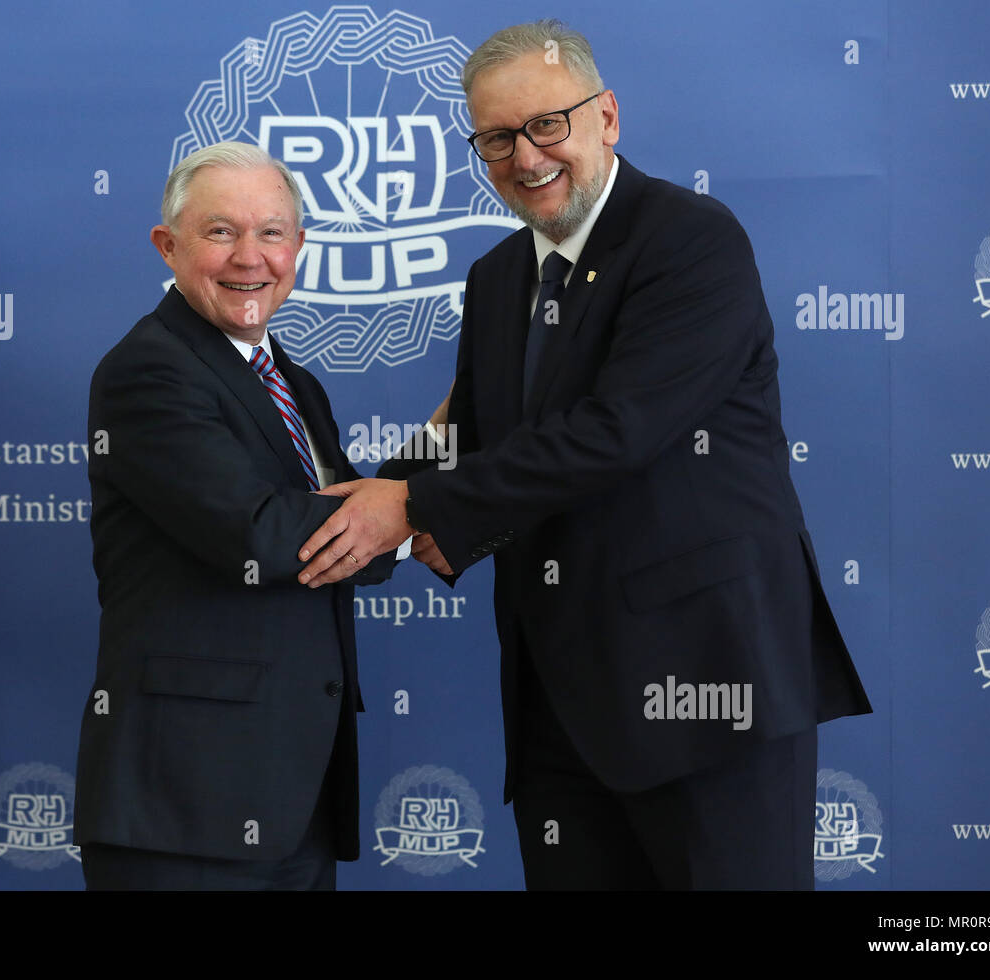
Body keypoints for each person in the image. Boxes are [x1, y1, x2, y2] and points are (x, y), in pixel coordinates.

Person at [296, 20, 871, 889]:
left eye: (546, 125)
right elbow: (476, 430)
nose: (525, 159)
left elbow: (617, 430)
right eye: (496, 138)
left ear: (606, 116)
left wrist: (412, 509)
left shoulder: (690, 238)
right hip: (560, 702)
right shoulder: (496, 275)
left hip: (708, 690)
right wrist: (351, 500)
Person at [74, 141, 396, 890]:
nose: (250, 257)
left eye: (272, 232)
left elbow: (357, 530)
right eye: (221, 232)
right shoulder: (147, 370)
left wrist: (414, 503)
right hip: (186, 810)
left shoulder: (294, 382)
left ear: (300, 246)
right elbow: (262, 532)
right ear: (169, 245)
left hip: (294, 796)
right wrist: (408, 515)